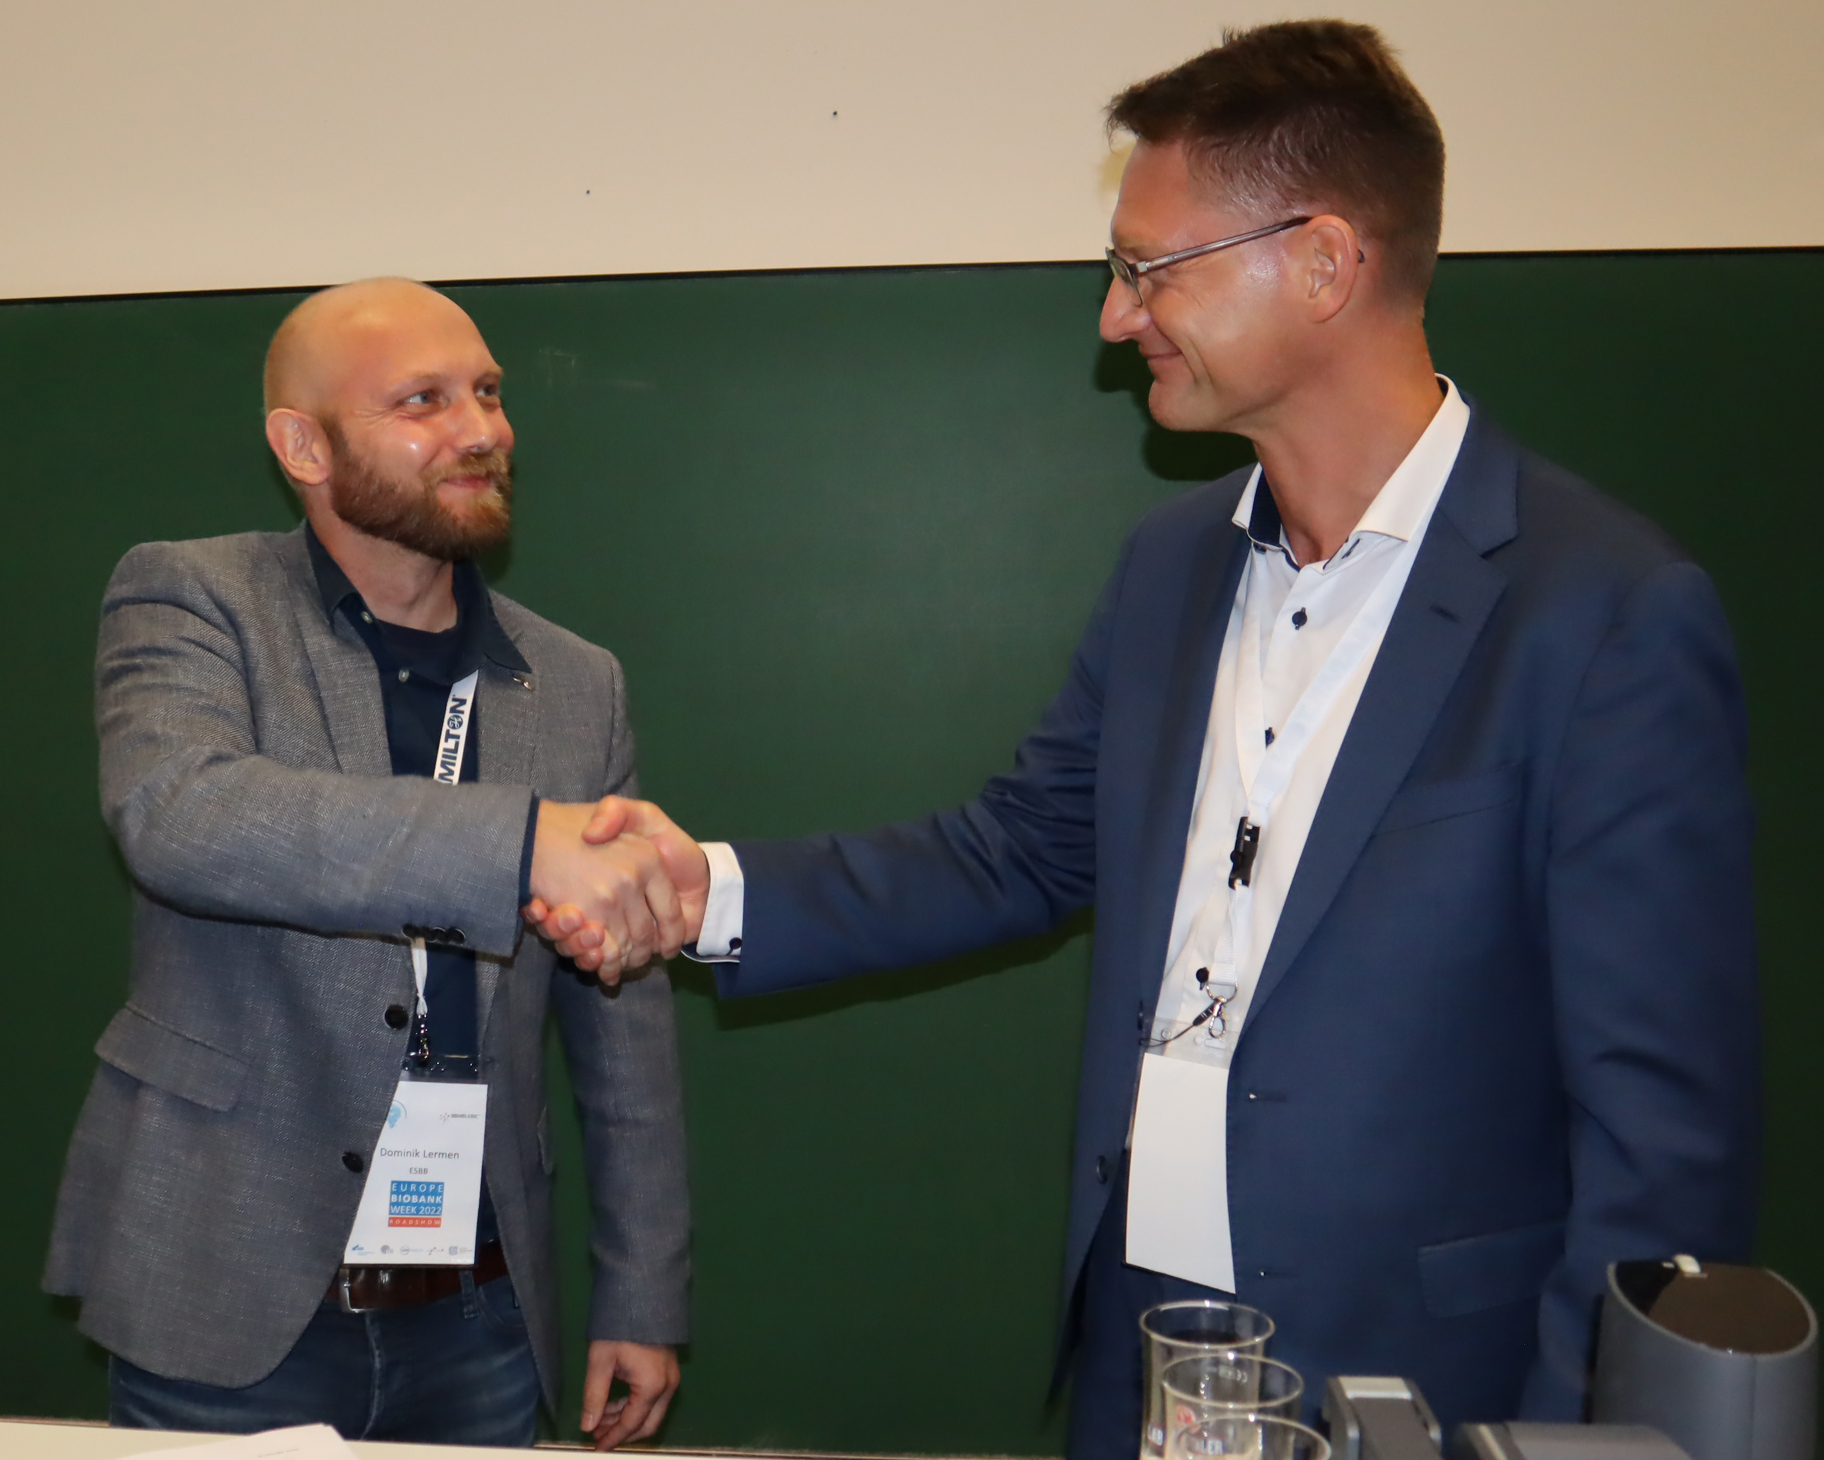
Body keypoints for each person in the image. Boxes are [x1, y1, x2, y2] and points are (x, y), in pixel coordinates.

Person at [529, 20, 1761, 1453]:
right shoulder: (1171, 567)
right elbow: (1020, 848)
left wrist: (1570, 1442)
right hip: (1151, 1355)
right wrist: (705, 894)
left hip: (1435, 1386)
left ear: (1323, 261)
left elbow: (1665, 1147)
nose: (1118, 319)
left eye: (1148, 269)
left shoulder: (1602, 611)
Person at [45, 278, 693, 1449]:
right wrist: (513, 842)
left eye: (488, 391)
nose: (483, 429)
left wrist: (643, 1290)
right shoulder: (194, 598)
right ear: (303, 443)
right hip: (224, 1284)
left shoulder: (577, 679)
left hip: (483, 1310)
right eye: (423, 399)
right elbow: (178, 812)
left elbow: (623, 1017)